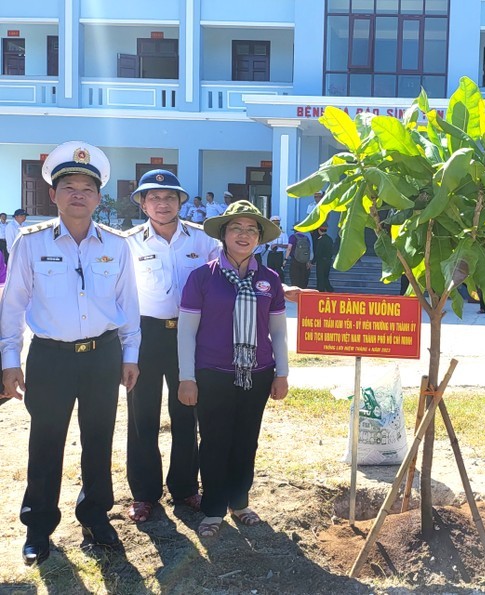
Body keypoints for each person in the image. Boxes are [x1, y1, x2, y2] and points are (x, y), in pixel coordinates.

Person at [0, 140, 141, 565]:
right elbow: (13, 305)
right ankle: (39, 526)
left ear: (99, 197)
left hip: (102, 355)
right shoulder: (30, 241)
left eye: (86, 188)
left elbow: (128, 305)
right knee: (45, 441)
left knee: (98, 439)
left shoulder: (116, 245)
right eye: (69, 187)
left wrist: (130, 355)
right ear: (54, 195)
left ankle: (96, 517)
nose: (78, 194)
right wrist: (9, 362)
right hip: (50, 358)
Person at [177, 200, 289, 538]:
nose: (244, 235)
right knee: (213, 441)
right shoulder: (202, 278)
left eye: (251, 230)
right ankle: (212, 509)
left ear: (259, 238)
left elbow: (279, 331)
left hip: (258, 374)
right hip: (212, 374)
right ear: (224, 234)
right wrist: (187, 377)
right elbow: (186, 331)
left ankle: (239, 503)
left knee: (246, 440)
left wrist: (282, 372)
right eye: (236, 228)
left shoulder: (269, 279)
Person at [125, 169, 220, 523]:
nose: (161, 204)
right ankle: (144, 494)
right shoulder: (128, 242)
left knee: (187, 412)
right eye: (153, 198)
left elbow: (223, 282)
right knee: (142, 416)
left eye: (169, 198)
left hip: (189, 335)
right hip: (145, 336)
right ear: (142, 203)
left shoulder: (202, 241)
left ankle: (185, 488)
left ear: (181, 201)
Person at [267, 215, 290, 282]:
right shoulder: (269, 233)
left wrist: (277, 245)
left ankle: (281, 284)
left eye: (277, 223)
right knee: (269, 271)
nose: (276, 225)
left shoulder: (283, 234)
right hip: (271, 254)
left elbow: (286, 245)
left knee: (280, 271)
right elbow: (267, 244)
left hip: (278, 254)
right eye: (274, 223)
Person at [313, 225, 334, 292]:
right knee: (325, 276)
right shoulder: (330, 239)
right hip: (328, 260)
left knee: (320, 276)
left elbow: (318, 252)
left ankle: (321, 290)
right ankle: (329, 289)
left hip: (321, 261)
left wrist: (313, 261)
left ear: (319, 230)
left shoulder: (320, 240)